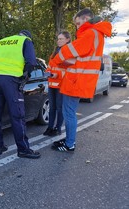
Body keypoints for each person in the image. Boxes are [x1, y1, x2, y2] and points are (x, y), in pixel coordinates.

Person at [51, 8, 112, 152]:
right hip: (80, 80)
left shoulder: (90, 33)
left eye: (78, 23)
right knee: (69, 112)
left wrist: (55, 60)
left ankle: (69, 144)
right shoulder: (97, 34)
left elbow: (69, 50)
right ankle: (68, 140)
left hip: (76, 81)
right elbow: (80, 58)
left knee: (69, 112)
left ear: (86, 19)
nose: (77, 27)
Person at [0, 30, 41, 159]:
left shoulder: (1, 42)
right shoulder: (25, 41)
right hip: (11, 80)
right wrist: (25, 77)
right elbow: (31, 62)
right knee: (18, 115)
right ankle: (23, 149)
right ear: (28, 37)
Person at [43, 31, 72, 136]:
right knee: (52, 107)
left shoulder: (69, 51)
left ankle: (58, 128)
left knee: (60, 108)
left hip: (61, 84)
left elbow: (69, 68)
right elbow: (50, 65)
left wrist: (57, 75)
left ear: (68, 39)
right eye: (58, 39)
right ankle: (50, 127)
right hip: (52, 83)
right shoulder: (55, 51)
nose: (59, 41)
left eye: (61, 39)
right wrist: (47, 72)